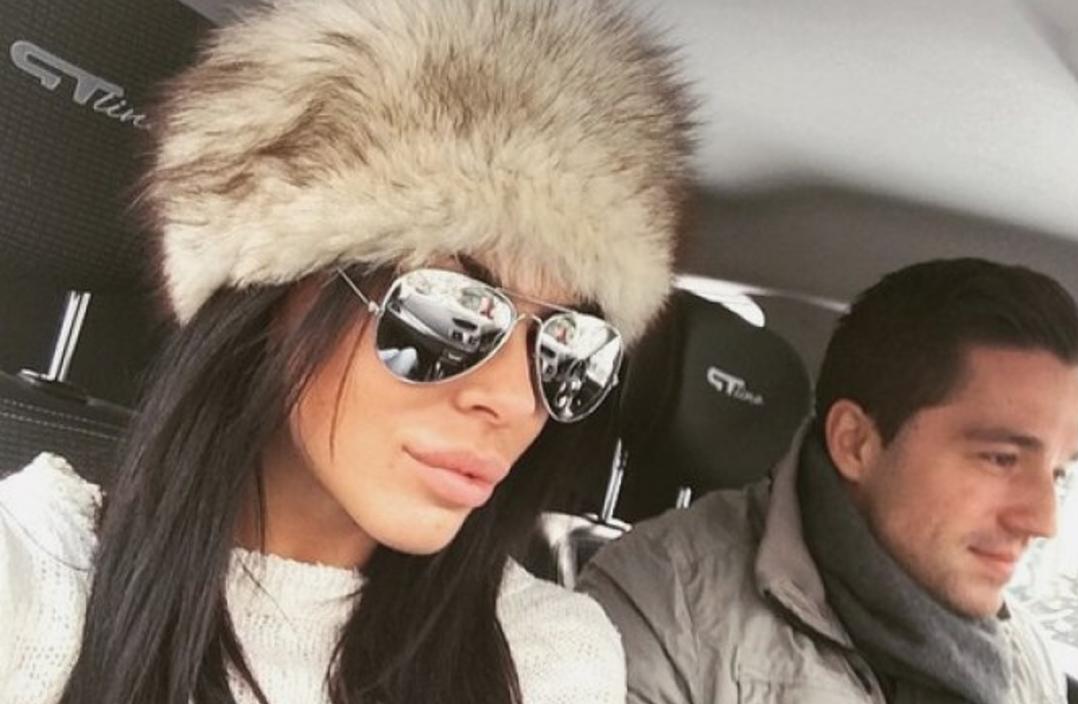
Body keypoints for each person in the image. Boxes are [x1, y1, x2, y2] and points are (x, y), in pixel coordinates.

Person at [0, 0, 695, 702]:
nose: (515, 400)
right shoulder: (35, 577)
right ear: (274, 290)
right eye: (450, 312)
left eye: (570, 350)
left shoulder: (550, 654)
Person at [579, 258, 1078, 704]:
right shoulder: (663, 607)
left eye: (1058, 474)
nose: (1044, 521)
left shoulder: (1027, 660)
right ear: (856, 443)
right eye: (1001, 459)